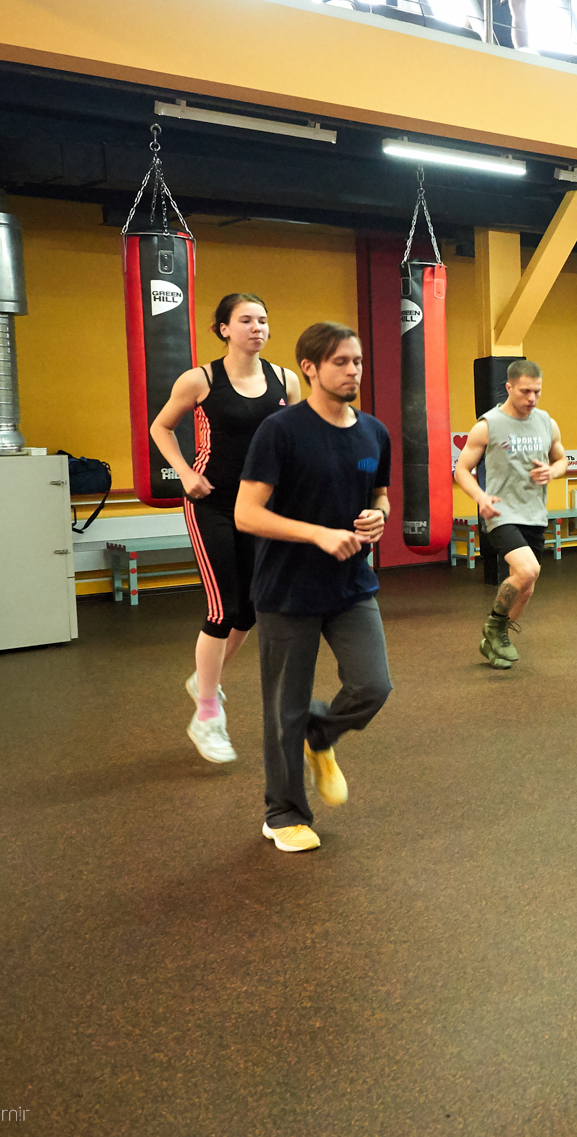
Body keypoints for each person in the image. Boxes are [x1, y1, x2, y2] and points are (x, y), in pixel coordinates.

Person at [235, 323, 394, 854]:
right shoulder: (280, 431)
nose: (353, 371)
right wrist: (317, 534)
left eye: (358, 361)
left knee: (373, 685)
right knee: (285, 706)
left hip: (351, 584)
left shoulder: (374, 432)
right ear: (310, 367)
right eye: (341, 362)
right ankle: (283, 813)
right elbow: (246, 513)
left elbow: (380, 495)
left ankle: (319, 733)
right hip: (287, 589)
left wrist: (378, 515)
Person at [149, 293, 300, 765]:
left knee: (250, 611)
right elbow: (160, 428)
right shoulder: (200, 379)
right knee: (223, 608)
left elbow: (296, 439)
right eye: (246, 320)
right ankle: (207, 713)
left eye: (263, 320)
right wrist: (184, 473)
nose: (257, 328)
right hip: (211, 502)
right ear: (224, 329)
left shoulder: (285, 381)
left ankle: (204, 679)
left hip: (259, 507)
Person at [453, 359, 569, 670]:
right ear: (508, 387)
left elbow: (561, 459)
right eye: (525, 391)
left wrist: (552, 471)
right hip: (500, 512)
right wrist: (480, 497)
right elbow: (462, 470)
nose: (532, 398)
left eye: (537, 392)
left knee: (527, 584)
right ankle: (494, 627)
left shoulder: (547, 423)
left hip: (534, 513)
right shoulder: (488, 425)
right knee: (527, 570)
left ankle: (494, 638)